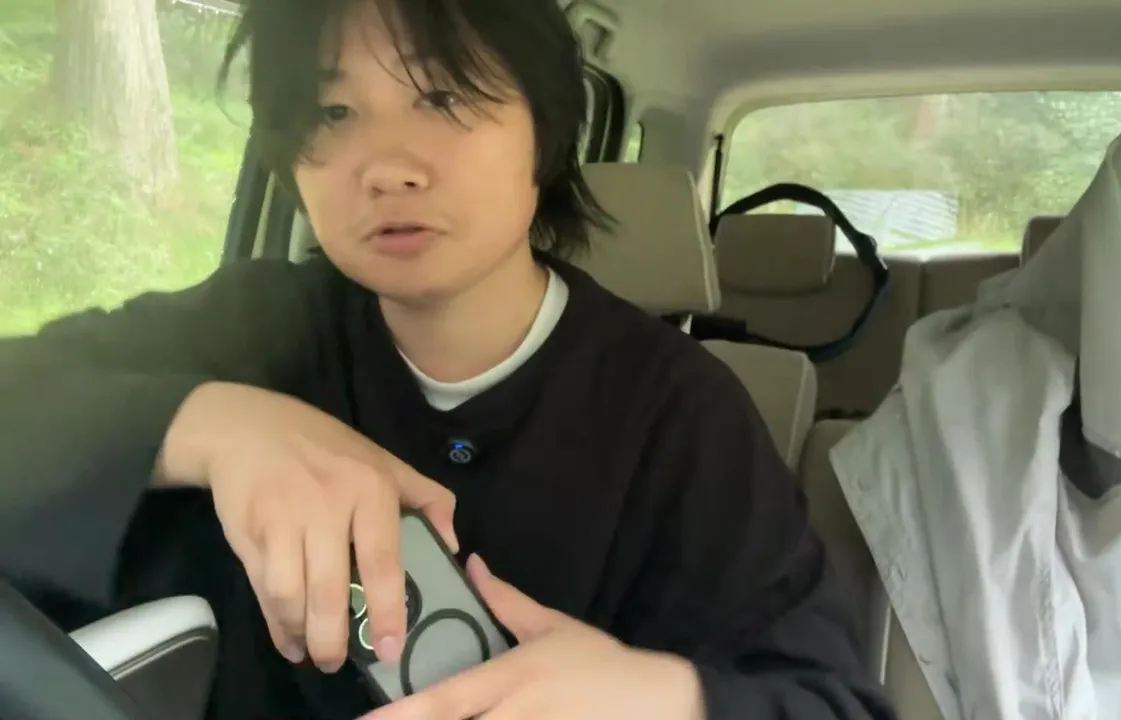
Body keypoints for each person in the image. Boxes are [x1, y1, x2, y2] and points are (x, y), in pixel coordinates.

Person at [0, 0, 895, 718]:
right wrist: (210, 425)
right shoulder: (252, 328)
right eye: (333, 112)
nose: (387, 167)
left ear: (545, 131)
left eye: (446, 100)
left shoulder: (678, 412)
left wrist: (665, 700)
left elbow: (828, 699)